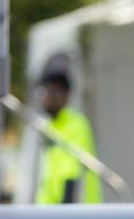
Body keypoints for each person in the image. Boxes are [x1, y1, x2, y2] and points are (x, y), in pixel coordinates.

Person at [35, 68, 102, 204]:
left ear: (62, 94)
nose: (43, 98)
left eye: (45, 91)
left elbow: (70, 173)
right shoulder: (50, 126)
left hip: (76, 210)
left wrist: (64, 212)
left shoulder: (75, 124)